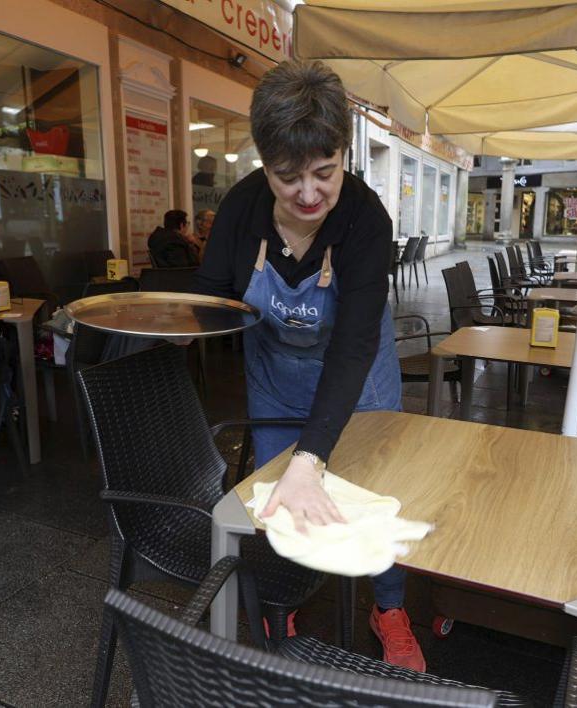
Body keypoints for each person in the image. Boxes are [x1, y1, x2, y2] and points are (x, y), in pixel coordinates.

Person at [193, 60, 423, 671]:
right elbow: (213, 293)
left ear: (344, 153)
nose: (309, 193)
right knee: (279, 499)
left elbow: (352, 346)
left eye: (325, 172)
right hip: (275, 375)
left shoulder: (366, 221)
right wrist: (172, 328)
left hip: (358, 377)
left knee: (375, 499)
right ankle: (281, 601)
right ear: (264, 163)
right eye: (287, 176)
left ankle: (390, 607)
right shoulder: (242, 209)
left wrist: (314, 453)